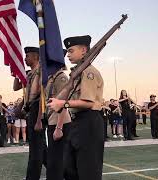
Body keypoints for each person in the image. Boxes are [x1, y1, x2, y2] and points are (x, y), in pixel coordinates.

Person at [48, 35, 104, 180]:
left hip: (89, 122)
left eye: (71, 51)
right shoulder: (77, 73)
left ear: (84, 50)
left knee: (88, 171)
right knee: (70, 169)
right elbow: (67, 94)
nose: (67, 54)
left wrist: (63, 104)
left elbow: (88, 102)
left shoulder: (88, 72)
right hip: (77, 122)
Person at [13, 47, 47, 180]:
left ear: (35, 57)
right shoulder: (29, 74)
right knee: (40, 148)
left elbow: (41, 97)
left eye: (27, 56)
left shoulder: (41, 72)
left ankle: (32, 177)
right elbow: (16, 87)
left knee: (36, 150)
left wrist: (39, 119)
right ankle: (60, 172)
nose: (25, 58)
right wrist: (17, 73)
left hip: (38, 110)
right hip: (31, 110)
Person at [44, 62, 71, 180]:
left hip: (60, 123)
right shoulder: (52, 78)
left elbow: (64, 103)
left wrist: (59, 128)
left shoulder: (61, 78)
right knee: (54, 161)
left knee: (57, 161)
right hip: (52, 121)